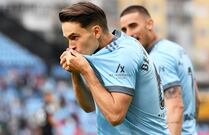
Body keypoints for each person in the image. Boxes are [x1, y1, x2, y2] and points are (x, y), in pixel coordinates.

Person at [58, 2, 170, 135]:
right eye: (68, 39)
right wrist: (75, 73)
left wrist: (86, 71)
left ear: (96, 32)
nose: (71, 46)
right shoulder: (97, 51)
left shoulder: (124, 54)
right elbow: (89, 106)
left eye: (75, 37)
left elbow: (115, 116)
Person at [120, 5, 201, 135]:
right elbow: (197, 99)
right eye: (124, 29)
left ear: (149, 24)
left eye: (133, 26)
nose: (128, 33)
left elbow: (175, 106)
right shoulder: (175, 49)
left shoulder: (158, 57)